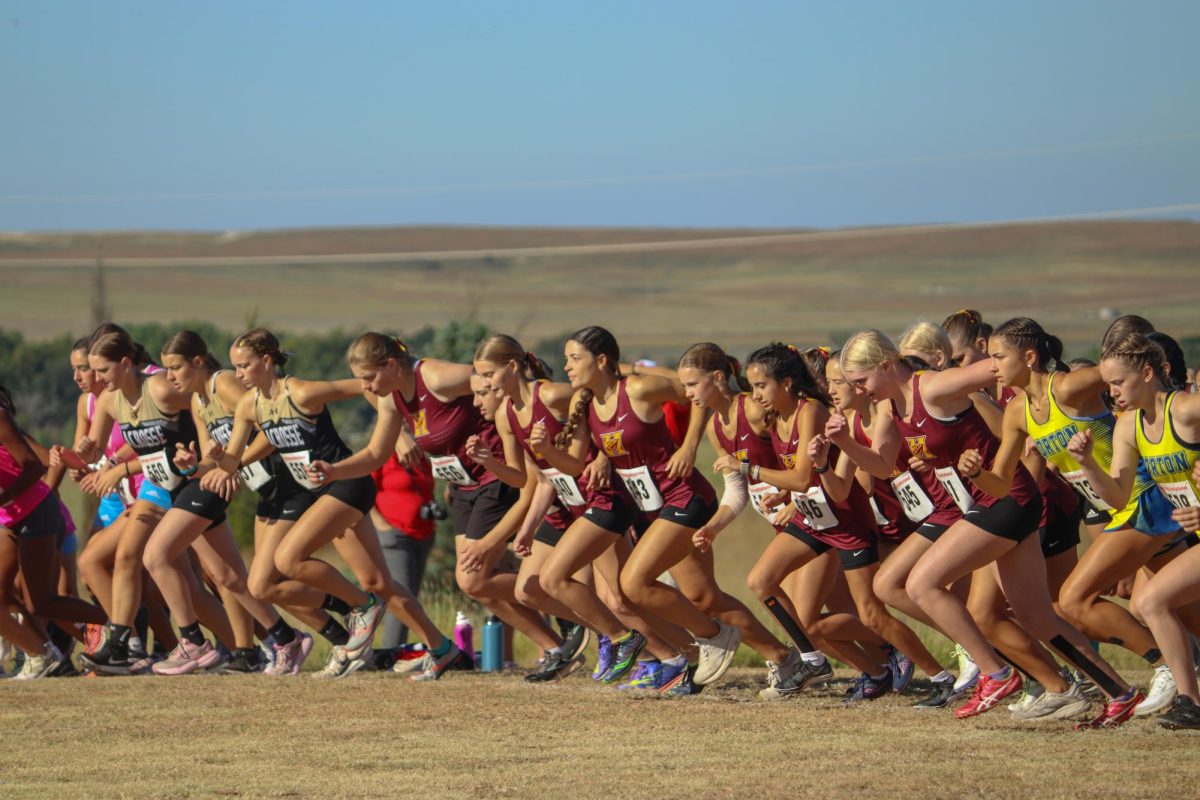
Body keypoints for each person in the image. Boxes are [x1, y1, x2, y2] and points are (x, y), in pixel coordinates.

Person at [835, 329, 1143, 727]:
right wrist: (844, 441)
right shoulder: (889, 409)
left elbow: (995, 368)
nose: (859, 391)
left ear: (885, 365)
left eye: (861, 381)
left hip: (1007, 498)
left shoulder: (934, 386)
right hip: (993, 500)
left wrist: (1046, 379)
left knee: (921, 584)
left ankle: (996, 674)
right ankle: (1117, 692)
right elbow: (880, 464)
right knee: (1036, 616)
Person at [1068, 331, 1200, 729]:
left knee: (1151, 601)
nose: (1111, 392)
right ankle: (1190, 701)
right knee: (1150, 602)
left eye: (1118, 382)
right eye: (1107, 384)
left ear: (1147, 373)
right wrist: (1088, 462)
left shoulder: (1189, 411)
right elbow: (1119, 497)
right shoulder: (1129, 426)